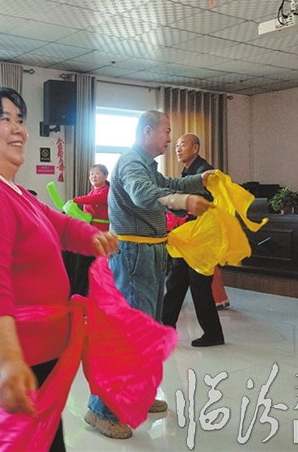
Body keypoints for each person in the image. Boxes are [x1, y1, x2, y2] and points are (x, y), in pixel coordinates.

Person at [0, 87, 117, 452]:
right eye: (5, 120)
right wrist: (9, 362)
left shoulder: (6, 189)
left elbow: (58, 224)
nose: (19, 129)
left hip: (33, 356)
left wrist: (92, 238)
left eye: (20, 120)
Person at [85, 111, 213, 439]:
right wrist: (183, 200)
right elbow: (143, 194)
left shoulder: (147, 164)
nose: (170, 139)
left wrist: (201, 180)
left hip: (150, 252)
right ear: (147, 132)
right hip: (134, 254)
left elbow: (167, 184)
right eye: (166, 132)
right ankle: (101, 410)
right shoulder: (131, 161)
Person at [161, 133, 224, 347]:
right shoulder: (189, 171)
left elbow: (205, 205)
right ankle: (165, 328)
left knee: (199, 286)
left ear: (195, 148)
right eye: (176, 145)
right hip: (189, 239)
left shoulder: (205, 172)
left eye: (183, 145)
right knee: (176, 282)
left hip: (201, 239)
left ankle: (213, 334)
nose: (178, 149)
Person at [69, 164, 110, 296]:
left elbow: (94, 200)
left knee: (96, 267)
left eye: (97, 173)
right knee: (83, 266)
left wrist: (75, 200)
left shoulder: (106, 191)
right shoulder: (92, 192)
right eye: (91, 174)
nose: (93, 176)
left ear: (105, 176)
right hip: (90, 234)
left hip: (101, 235)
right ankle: (81, 294)